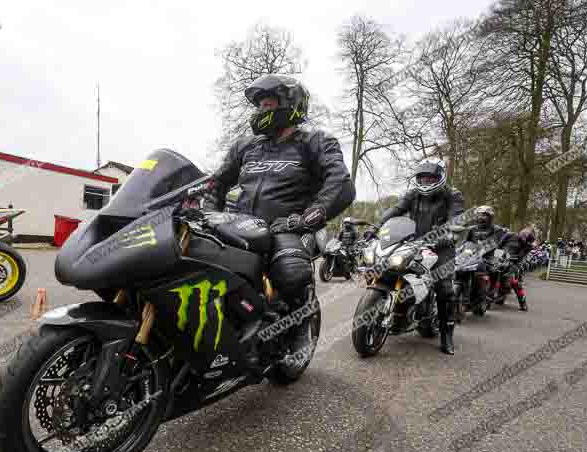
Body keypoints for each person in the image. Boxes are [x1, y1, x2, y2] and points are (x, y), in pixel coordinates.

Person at [203, 74, 355, 370]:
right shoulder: (246, 146)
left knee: (290, 273)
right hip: (243, 225)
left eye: (268, 103)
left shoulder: (315, 141)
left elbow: (340, 182)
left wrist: (310, 216)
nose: (261, 110)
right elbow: (217, 183)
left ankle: (299, 331)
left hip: (292, 226)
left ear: (291, 104)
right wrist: (211, 212)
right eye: (259, 105)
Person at [374, 160, 458, 354]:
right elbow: (395, 210)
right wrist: (375, 226)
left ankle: (447, 334)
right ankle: (398, 314)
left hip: (441, 246)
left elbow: (457, 217)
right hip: (413, 242)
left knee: (444, 288)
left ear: (440, 178)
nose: (426, 182)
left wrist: (449, 234)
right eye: (423, 178)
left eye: (431, 178)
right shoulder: (413, 194)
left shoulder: (452, 195)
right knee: (390, 269)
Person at [461, 205, 506, 309]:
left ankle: (490, 293)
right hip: (472, 256)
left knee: (495, 269)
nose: (481, 218)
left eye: (484, 215)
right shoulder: (471, 229)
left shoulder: (497, 230)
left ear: (490, 217)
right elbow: (464, 243)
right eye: (479, 215)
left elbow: (498, 244)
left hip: (489, 256)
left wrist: (496, 258)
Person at [495, 226, 535, 310]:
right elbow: (499, 245)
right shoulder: (509, 235)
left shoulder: (527, 246)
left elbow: (521, 256)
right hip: (500, 257)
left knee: (513, 281)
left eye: (526, 237)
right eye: (524, 234)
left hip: (514, 262)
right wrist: (497, 256)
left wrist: (511, 260)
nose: (524, 236)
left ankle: (522, 302)